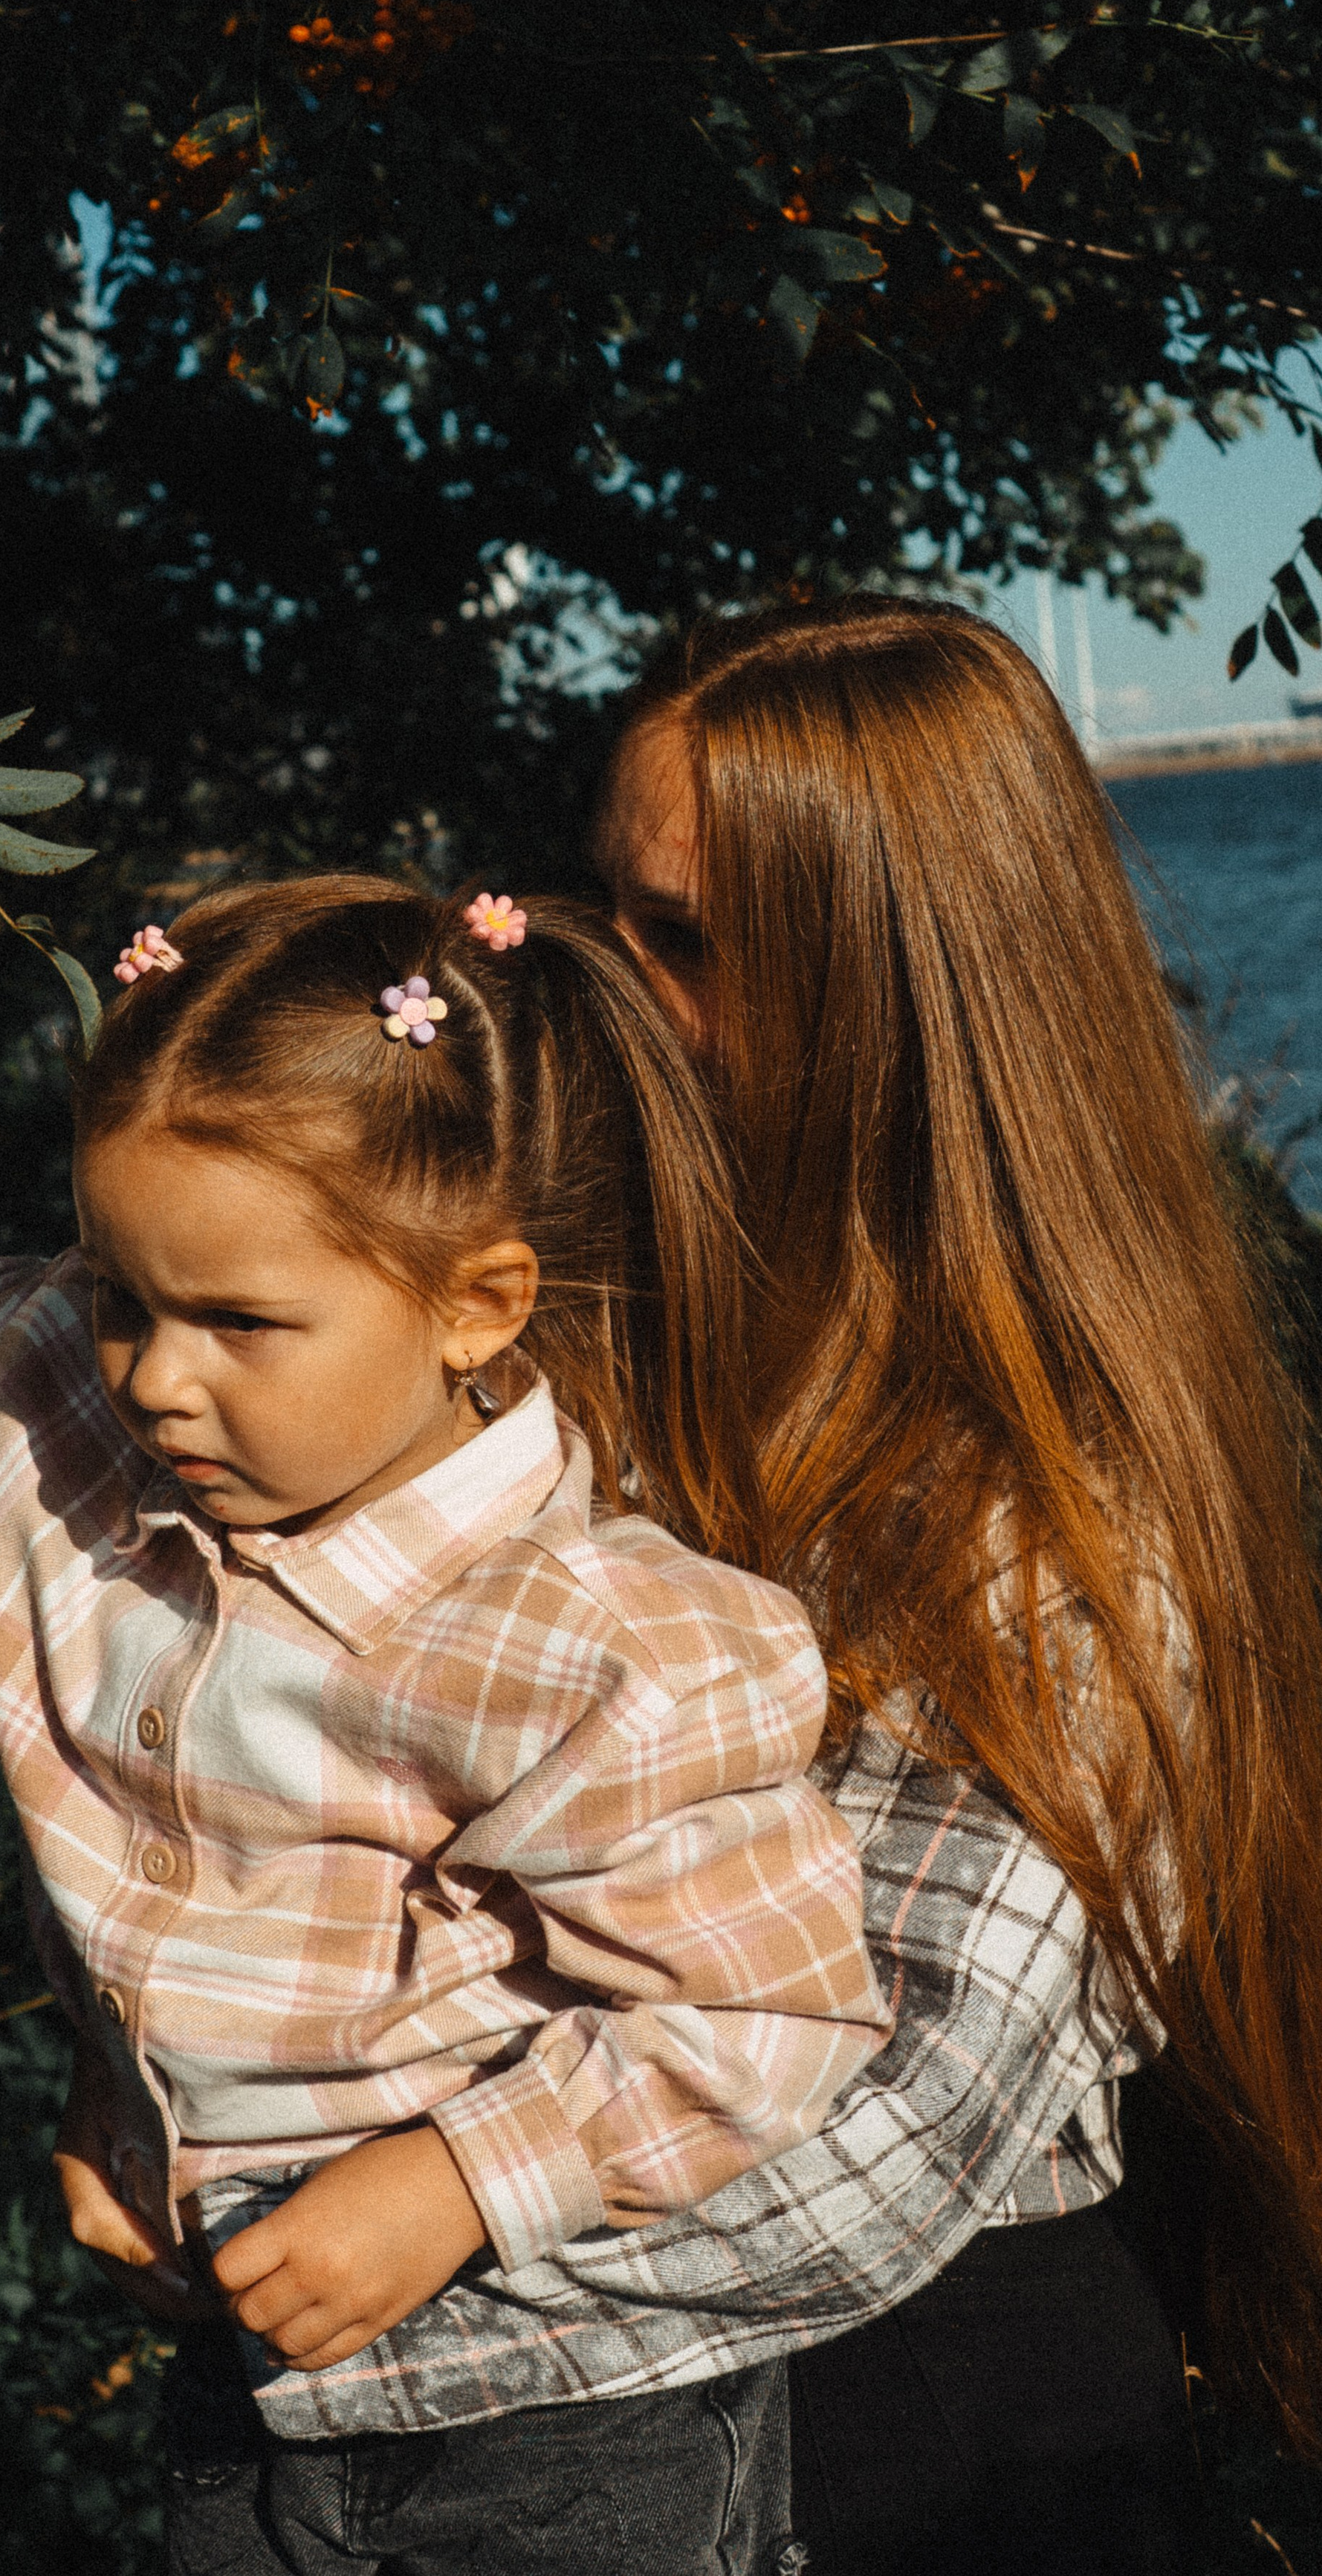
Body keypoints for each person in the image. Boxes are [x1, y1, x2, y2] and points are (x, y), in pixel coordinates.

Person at [0, 876, 889, 2576]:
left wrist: (461, 2179)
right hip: (241, 2366)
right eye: (121, 1291)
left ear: (478, 1307)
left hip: (563, 2408)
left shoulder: (595, 1646)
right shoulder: (59, 1422)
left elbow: (766, 2014)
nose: (154, 1378)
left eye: (240, 1323)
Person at [577, 595, 1322, 2573]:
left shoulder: (1060, 1505)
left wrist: (365, 2240)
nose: (609, 991)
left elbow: (878, 2137)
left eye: (689, 942)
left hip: (932, 2415)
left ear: (897, 993)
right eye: (605, 914)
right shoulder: (627, 1315)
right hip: (636, 2385)